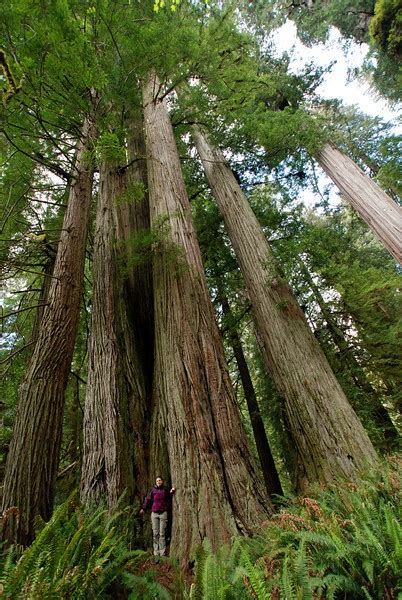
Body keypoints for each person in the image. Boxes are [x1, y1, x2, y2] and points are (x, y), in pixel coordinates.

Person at [140, 476, 176, 557]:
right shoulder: (153, 490)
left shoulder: (165, 490)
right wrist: (144, 508)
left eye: (160, 480)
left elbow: (169, 496)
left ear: (162, 481)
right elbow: (148, 500)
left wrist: (172, 491)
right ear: (155, 482)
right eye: (157, 481)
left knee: (162, 534)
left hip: (163, 513)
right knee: (155, 533)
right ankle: (156, 553)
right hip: (154, 514)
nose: (158, 482)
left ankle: (162, 552)